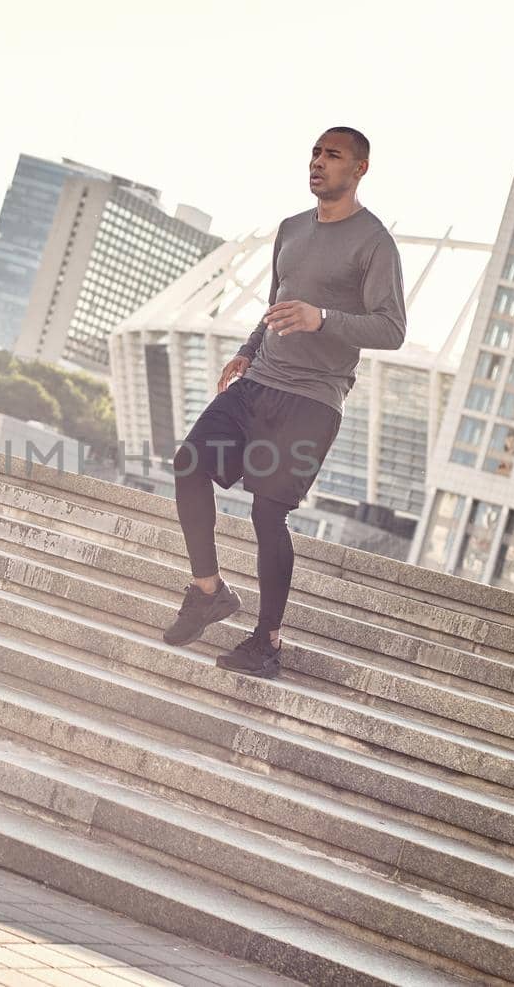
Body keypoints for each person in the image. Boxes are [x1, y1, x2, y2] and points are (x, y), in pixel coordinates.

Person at [162, 126, 406, 678]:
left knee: (268, 513)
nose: (319, 162)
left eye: (333, 155)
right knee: (188, 463)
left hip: (312, 400)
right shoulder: (292, 230)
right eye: (316, 153)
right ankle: (208, 590)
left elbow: (391, 328)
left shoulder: (374, 244)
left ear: (360, 169)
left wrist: (324, 319)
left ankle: (267, 642)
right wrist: (248, 351)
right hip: (259, 382)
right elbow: (277, 303)